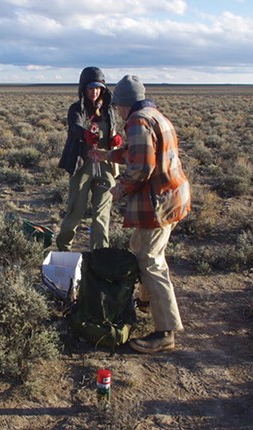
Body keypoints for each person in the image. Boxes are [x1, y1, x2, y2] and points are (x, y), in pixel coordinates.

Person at [90, 75, 191, 354]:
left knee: (150, 260)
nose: (118, 111)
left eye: (119, 105)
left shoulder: (138, 121)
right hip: (171, 197)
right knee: (140, 249)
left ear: (126, 103)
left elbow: (141, 168)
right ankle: (147, 303)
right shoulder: (155, 115)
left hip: (157, 202)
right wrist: (107, 155)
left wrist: (118, 189)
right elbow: (137, 153)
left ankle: (166, 331)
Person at [57, 67, 122, 251]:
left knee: (101, 214)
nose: (95, 92)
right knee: (75, 211)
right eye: (91, 88)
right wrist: (85, 134)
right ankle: (64, 248)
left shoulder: (108, 111)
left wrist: (114, 140)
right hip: (82, 166)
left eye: (98, 88)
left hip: (104, 166)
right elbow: (75, 125)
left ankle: (100, 255)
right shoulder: (76, 109)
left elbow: (112, 132)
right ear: (83, 89)